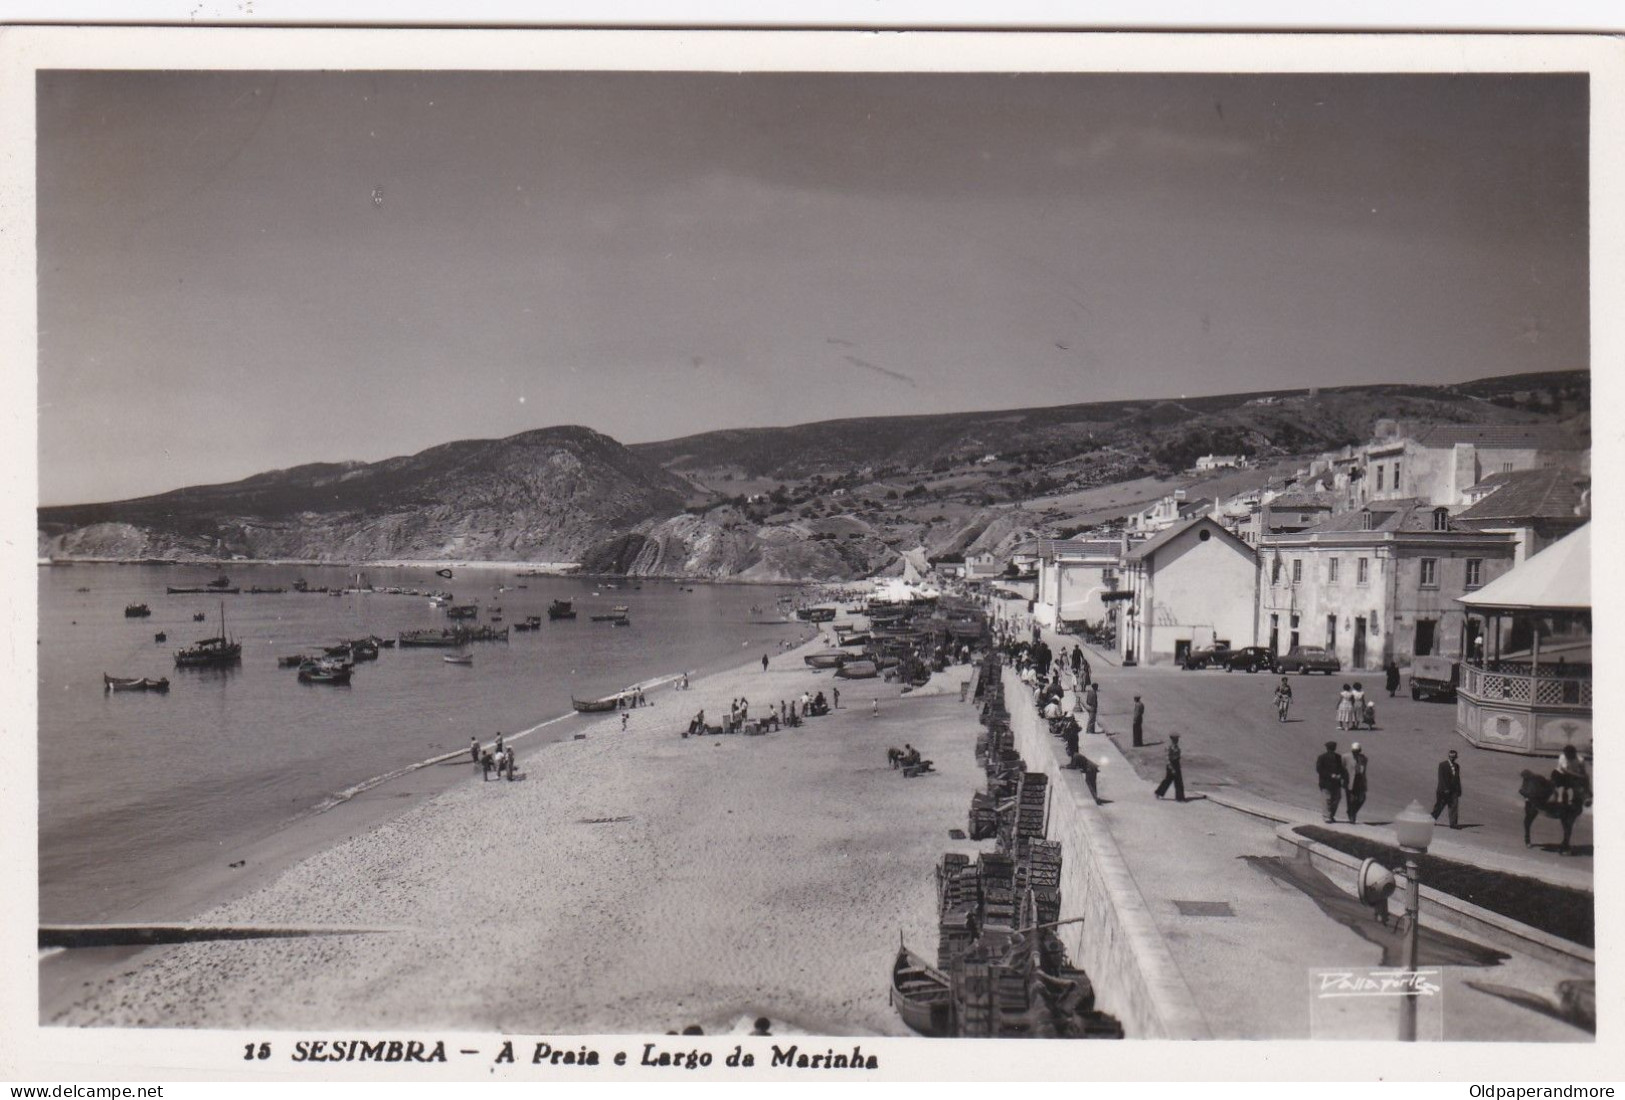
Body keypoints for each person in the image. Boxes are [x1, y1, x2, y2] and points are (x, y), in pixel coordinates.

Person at [1316, 740, 1346, 823]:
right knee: (1327, 799)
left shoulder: (1338, 757)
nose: (1332, 749)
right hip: (1325, 782)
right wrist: (1330, 775)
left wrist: (1341, 775)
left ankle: (1331, 815)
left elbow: (1342, 769)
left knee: (1337, 798)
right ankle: (1326, 816)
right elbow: (1319, 769)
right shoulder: (1322, 757)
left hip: (1336, 782)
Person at [1431, 749, 1463, 828]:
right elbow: (1441, 778)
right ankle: (1431, 820)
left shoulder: (1457, 766)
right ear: (1448, 756)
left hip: (1453, 791)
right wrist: (1445, 789)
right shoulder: (1442, 765)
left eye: (1454, 757)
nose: (1452, 758)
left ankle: (1453, 824)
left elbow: (1457, 779)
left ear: (1456, 757)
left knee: (1454, 807)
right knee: (1439, 806)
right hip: (1443, 790)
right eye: (1451, 757)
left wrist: (1459, 790)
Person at [1155, 734, 1185, 801]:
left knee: (1178, 781)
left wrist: (1178, 765)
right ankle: (1159, 792)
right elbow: (1167, 758)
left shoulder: (1177, 747)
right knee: (1168, 780)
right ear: (1172, 739)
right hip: (1171, 765)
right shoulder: (1169, 747)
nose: (1177, 740)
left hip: (1176, 764)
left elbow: (1178, 757)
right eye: (1175, 739)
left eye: (1177, 739)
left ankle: (1180, 797)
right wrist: (1171, 768)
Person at [1344, 742, 1368, 824]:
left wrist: (1364, 783)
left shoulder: (1363, 758)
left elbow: (1364, 771)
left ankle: (1352, 811)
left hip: (1359, 779)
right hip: (1349, 780)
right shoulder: (1346, 757)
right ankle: (1352, 816)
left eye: (1357, 751)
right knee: (1351, 799)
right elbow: (1342, 768)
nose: (1356, 752)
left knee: (1362, 798)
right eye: (1354, 751)